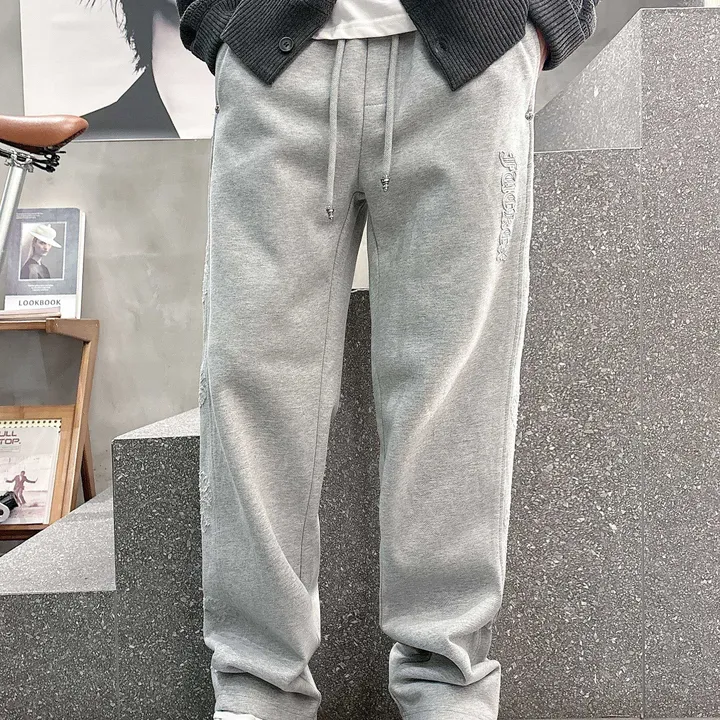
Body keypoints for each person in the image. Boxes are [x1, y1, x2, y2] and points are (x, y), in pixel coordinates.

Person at [176, 1, 600, 719]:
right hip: (275, 57)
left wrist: (542, 19)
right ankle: (256, 688)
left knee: (454, 392)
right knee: (249, 382)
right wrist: (219, 18)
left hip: (468, 54)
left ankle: (447, 685)